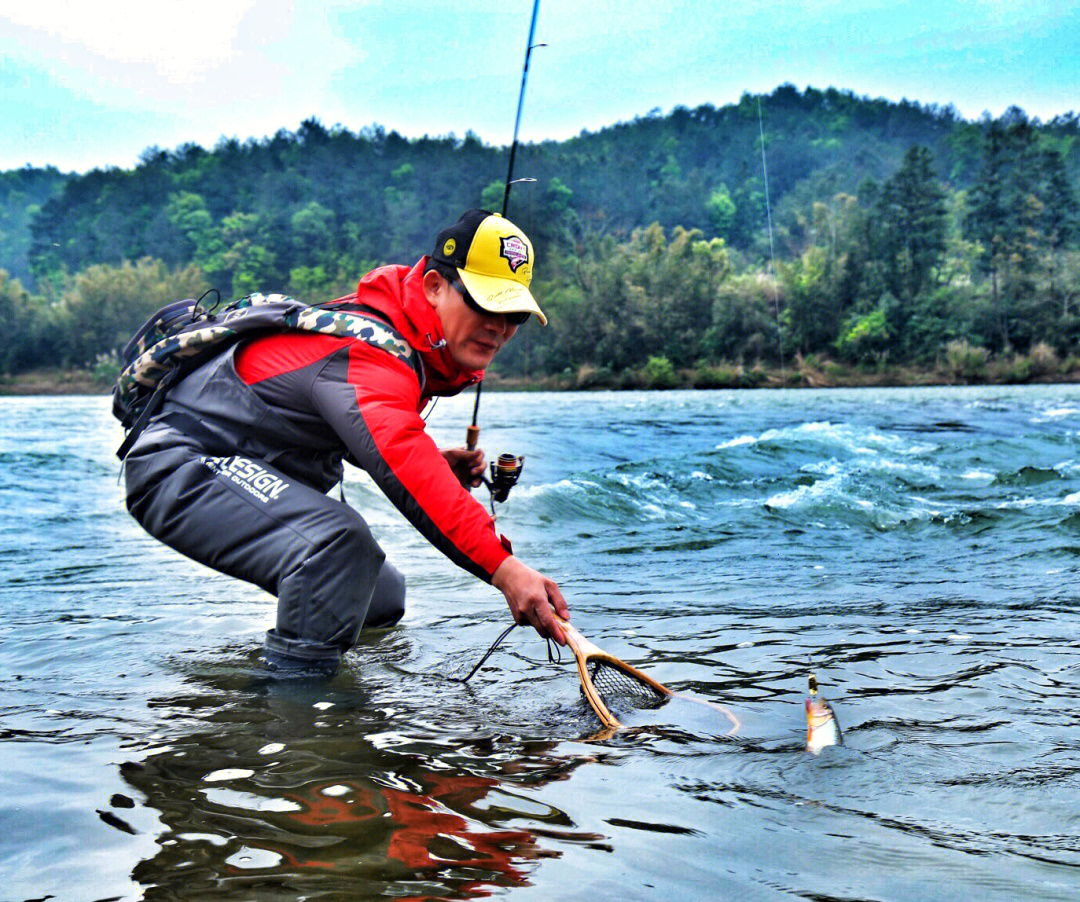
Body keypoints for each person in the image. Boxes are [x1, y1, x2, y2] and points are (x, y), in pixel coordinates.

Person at [123, 209, 569, 672]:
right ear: (435, 287)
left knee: (379, 594)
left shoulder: (395, 341)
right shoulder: (370, 352)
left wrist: (438, 460)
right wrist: (505, 568)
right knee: (338, 550)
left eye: (513, 312)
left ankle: (267, 699)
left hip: (231, 463)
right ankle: (298, 721)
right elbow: (404, 464)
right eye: (484, 304)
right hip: (179, 462)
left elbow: (370, 436)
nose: (499, 326)